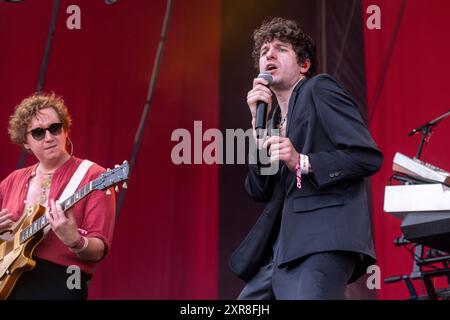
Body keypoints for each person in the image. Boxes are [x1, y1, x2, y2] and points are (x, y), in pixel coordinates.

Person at [229, 17, 383, 299]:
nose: (269, 55)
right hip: (281, 251)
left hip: (321, 241)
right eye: (264, 52)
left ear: (304, 64)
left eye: (280, 48)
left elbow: (367, 157)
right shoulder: (272, 119)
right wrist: (256, 126)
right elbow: (259, 189)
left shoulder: (319, 89)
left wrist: (303, 161)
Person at [0, 93, 115, 300]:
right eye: (37, 133)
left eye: (55, 128)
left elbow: (98, 249)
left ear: (65, 130)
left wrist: (76, 242)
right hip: (9, 282)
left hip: (60, 283)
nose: (49, 137)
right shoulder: (13, 180)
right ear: (25, 142)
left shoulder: (94, 175)